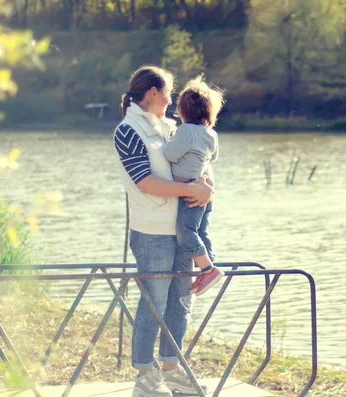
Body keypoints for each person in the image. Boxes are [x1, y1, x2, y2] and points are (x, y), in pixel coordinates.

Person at [113, 66, 212, 397]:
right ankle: (144, 376)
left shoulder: (171, 127)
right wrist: (190, 191)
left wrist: (207, 186)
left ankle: (171, 370)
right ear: (152, 93)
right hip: (152, 233)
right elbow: (146, 182)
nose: (171, 100)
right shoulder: (127, 131)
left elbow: (200, 166)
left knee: (180, 301)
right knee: (153, 303)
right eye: (168, 92)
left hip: (182, 231)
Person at [162, 75, 225, 297]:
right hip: (204, 192)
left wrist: (170, 139)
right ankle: (210, 263)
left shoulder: (186, 131)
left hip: (189, 193)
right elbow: (213, 158)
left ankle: (208, 269)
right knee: (201, 230)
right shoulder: (211, 134)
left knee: (186, 232)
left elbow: (169, 154)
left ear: (182, 111)